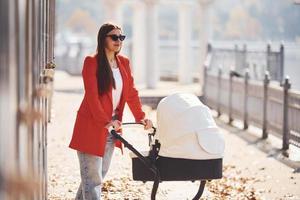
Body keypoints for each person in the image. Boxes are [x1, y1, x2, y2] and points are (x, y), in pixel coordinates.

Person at [69, 23, 153, 200]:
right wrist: (106, 122)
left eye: (121, 37)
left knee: (94, 178)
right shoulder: (92, 62)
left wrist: (141, 117)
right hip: (92, 127)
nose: (118, 41)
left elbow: (131, 93)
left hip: (112, 129)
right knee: (92, 181)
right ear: (103, 39)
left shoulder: (124, 63)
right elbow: (92, 97)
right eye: (114, 37)